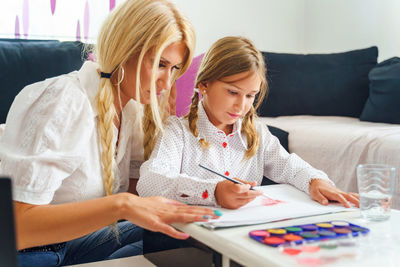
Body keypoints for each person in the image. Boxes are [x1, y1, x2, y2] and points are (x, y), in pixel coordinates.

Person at [0, 0, 220, 266]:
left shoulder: (130, 111)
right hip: (27, 253)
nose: (167, 82)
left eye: (174, 69)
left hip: (74, 244)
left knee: (188, 240)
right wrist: (121, 204)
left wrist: (205, 184)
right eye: (160, 64)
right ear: (124, 50)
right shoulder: (64, 100)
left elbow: (143, 195)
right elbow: (17, 228)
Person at [137, 36, 360, 210]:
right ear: (204, 85)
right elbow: (148, 183)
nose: (241, 106)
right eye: (233, 92)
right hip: (189, 240)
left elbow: (289, 166)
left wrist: (315, 181)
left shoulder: (255, 133)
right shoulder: (178, 132)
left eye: (250, 95)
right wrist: (213, 192)